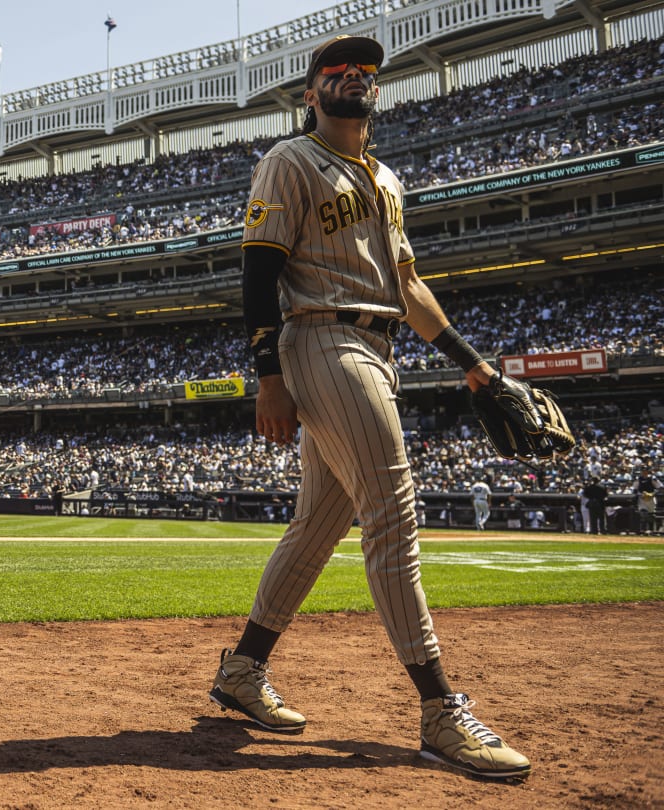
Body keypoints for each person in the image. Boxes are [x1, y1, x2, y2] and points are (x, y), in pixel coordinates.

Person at [212, 34, 530, 779]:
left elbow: (410, 291)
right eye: (336, 71)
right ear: (310, 94)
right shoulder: (290, 160)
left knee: (319, 526)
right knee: (391, 510)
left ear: (377, 89)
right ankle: (441, 711)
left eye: (365, 72)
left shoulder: (385, 177)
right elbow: (260, 272)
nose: (354, 77)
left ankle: (242, 669)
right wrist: (268, 375)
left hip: (379, 346)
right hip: (322, 339)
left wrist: (476, 368)